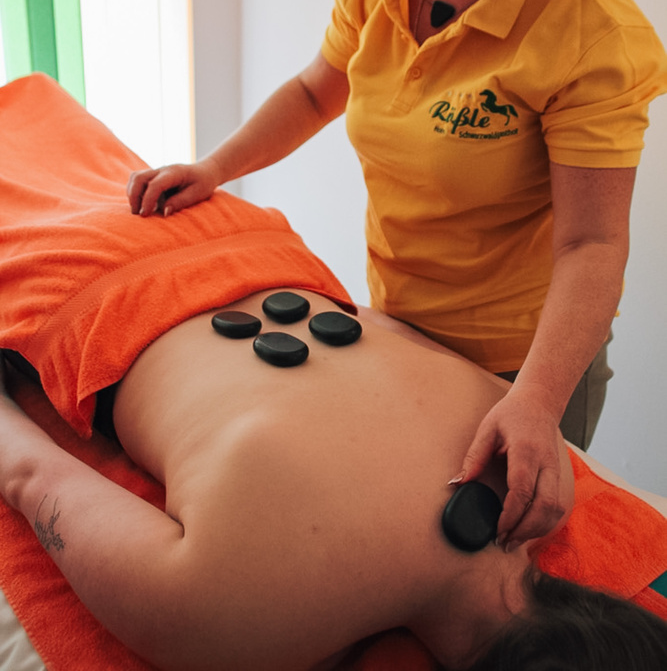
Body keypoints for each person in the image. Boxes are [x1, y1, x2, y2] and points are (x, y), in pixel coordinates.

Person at [126, 0, 667, 551]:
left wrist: (532, 399)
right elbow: (317, 89)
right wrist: (215, 167)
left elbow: (591, 244)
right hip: (397, 326)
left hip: (522, 361)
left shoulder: (593, 32)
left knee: (498, 569)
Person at [1, 73, 667, 671]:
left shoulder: (539, 463)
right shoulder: (235, 626)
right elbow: (31, 475)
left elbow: (384, 330)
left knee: (41, 123)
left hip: (245, 246)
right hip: (92, 289)